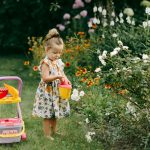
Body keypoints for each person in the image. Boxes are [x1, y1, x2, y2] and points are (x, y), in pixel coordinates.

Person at [32, 28, 71, 140]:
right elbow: (45, 78)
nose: (57, 55)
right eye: (55, 52)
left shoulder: (58, 61)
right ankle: (47, 134)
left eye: (59, 52)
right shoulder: (46, 63)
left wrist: (66, 79)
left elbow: (62, 73)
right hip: (47, 92)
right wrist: (57, 77)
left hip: (56, 92)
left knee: (54, 113)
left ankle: (54, 131)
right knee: (47, 115)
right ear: (47, 50)